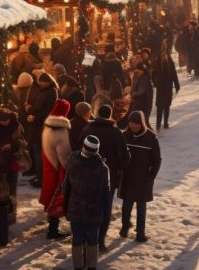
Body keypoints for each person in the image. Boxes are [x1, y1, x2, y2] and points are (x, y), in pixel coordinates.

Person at [78, 105, 130, 251]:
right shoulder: (116, 132)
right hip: (108, 177)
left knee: (88, 208)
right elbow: (124, 158)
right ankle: (99, 241)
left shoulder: (87, 130)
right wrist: (118, 167)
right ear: (110, 115)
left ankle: (87, 238)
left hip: (87, 176)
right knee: (105, 209)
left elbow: (78, 151)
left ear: (97, 114)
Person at [64, 135, 111, 270]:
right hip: (94, 213)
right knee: (92, 242)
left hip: (75, 209)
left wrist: (66, 207)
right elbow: (105, 195)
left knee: (76, 241)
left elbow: (67, 185)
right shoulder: (103, 168)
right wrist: (105, 217)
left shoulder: (73, 159)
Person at [118, 111, 161, 243]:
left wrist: (150, 177)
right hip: (127, 177)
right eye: (131, 123)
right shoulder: (124, 136)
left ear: (141, 123)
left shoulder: (151, 138)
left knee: (141, 206)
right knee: (126, 204)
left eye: (136, 123)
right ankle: (125, 227)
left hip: (143, 178)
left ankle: (140, 232)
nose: (133, 126)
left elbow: (156, 160)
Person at [40, 100, 73, 240]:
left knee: (50, 196)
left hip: (48, 166)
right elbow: (64, 157)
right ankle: (52, 230)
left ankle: (51, 223)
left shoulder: (47, 126)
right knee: (56, 200)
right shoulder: (60, 131)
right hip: (57, 170)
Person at [27, 72, 59, 187]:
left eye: (43, 81)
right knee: (37, 153)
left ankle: (42, 179)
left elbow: (48, 111)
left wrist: (34, 117)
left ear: (48, 82)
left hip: (42, 127)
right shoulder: (42, 91)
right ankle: (39, 176)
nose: (40, 83)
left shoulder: (51, 92)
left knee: (40, 154)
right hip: (37, 126)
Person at [153, 42, 180, 129]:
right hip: (161, 88)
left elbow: (174, 74)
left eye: (165, 53)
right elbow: (153, 74)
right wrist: (155, 82)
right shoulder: (157, 62)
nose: (164, 55)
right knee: (160, 107)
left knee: (167, 106)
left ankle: (165, 123)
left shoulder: (170, 62)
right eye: (162, 54)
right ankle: (158, 124)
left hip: (168, 87)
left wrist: (177, 85)